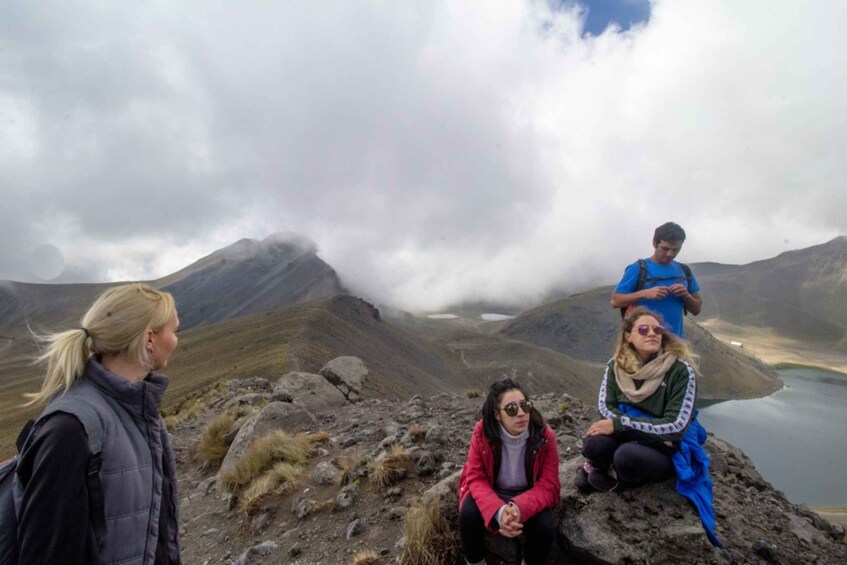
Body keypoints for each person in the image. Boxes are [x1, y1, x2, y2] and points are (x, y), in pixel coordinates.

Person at [15, 283, 182, 564]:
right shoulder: (69, 430)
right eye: (174, 331)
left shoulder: (139, 410)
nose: (177, 340)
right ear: (149, 339)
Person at [576, 306, 722, 546]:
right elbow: (606, 406)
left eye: (657, 329)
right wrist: (643, 430)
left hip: (667, 449)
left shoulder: (680, 371)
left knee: (626, 455)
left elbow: (675, 426)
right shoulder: (615, 366)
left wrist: (622, 424)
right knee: (593, 444)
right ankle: (604, 466)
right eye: (643, 329)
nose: (652, 333)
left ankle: (620, 479)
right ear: (628, 336)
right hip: (649, 437)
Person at [458, 379, 560, 565]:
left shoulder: (544, 436)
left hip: (528, 494)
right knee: (468, 516)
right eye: (512, 409)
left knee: (545, 527)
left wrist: (519, 508)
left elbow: (549, 485)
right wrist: (499, 511)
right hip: (493, 490)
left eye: (525, 406)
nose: (521, 413)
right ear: (497, 414)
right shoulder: (482, 433)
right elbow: (476, 477)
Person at [611, 221, 702, 338]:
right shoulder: (638, 269)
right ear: (654, 243)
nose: (670, 254)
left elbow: (696, 309)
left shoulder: (684, 271)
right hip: (644, 345)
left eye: (675, 250)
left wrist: (686, 295)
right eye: (665, 249)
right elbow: (615, 301)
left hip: (676, 344)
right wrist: (645, 293)